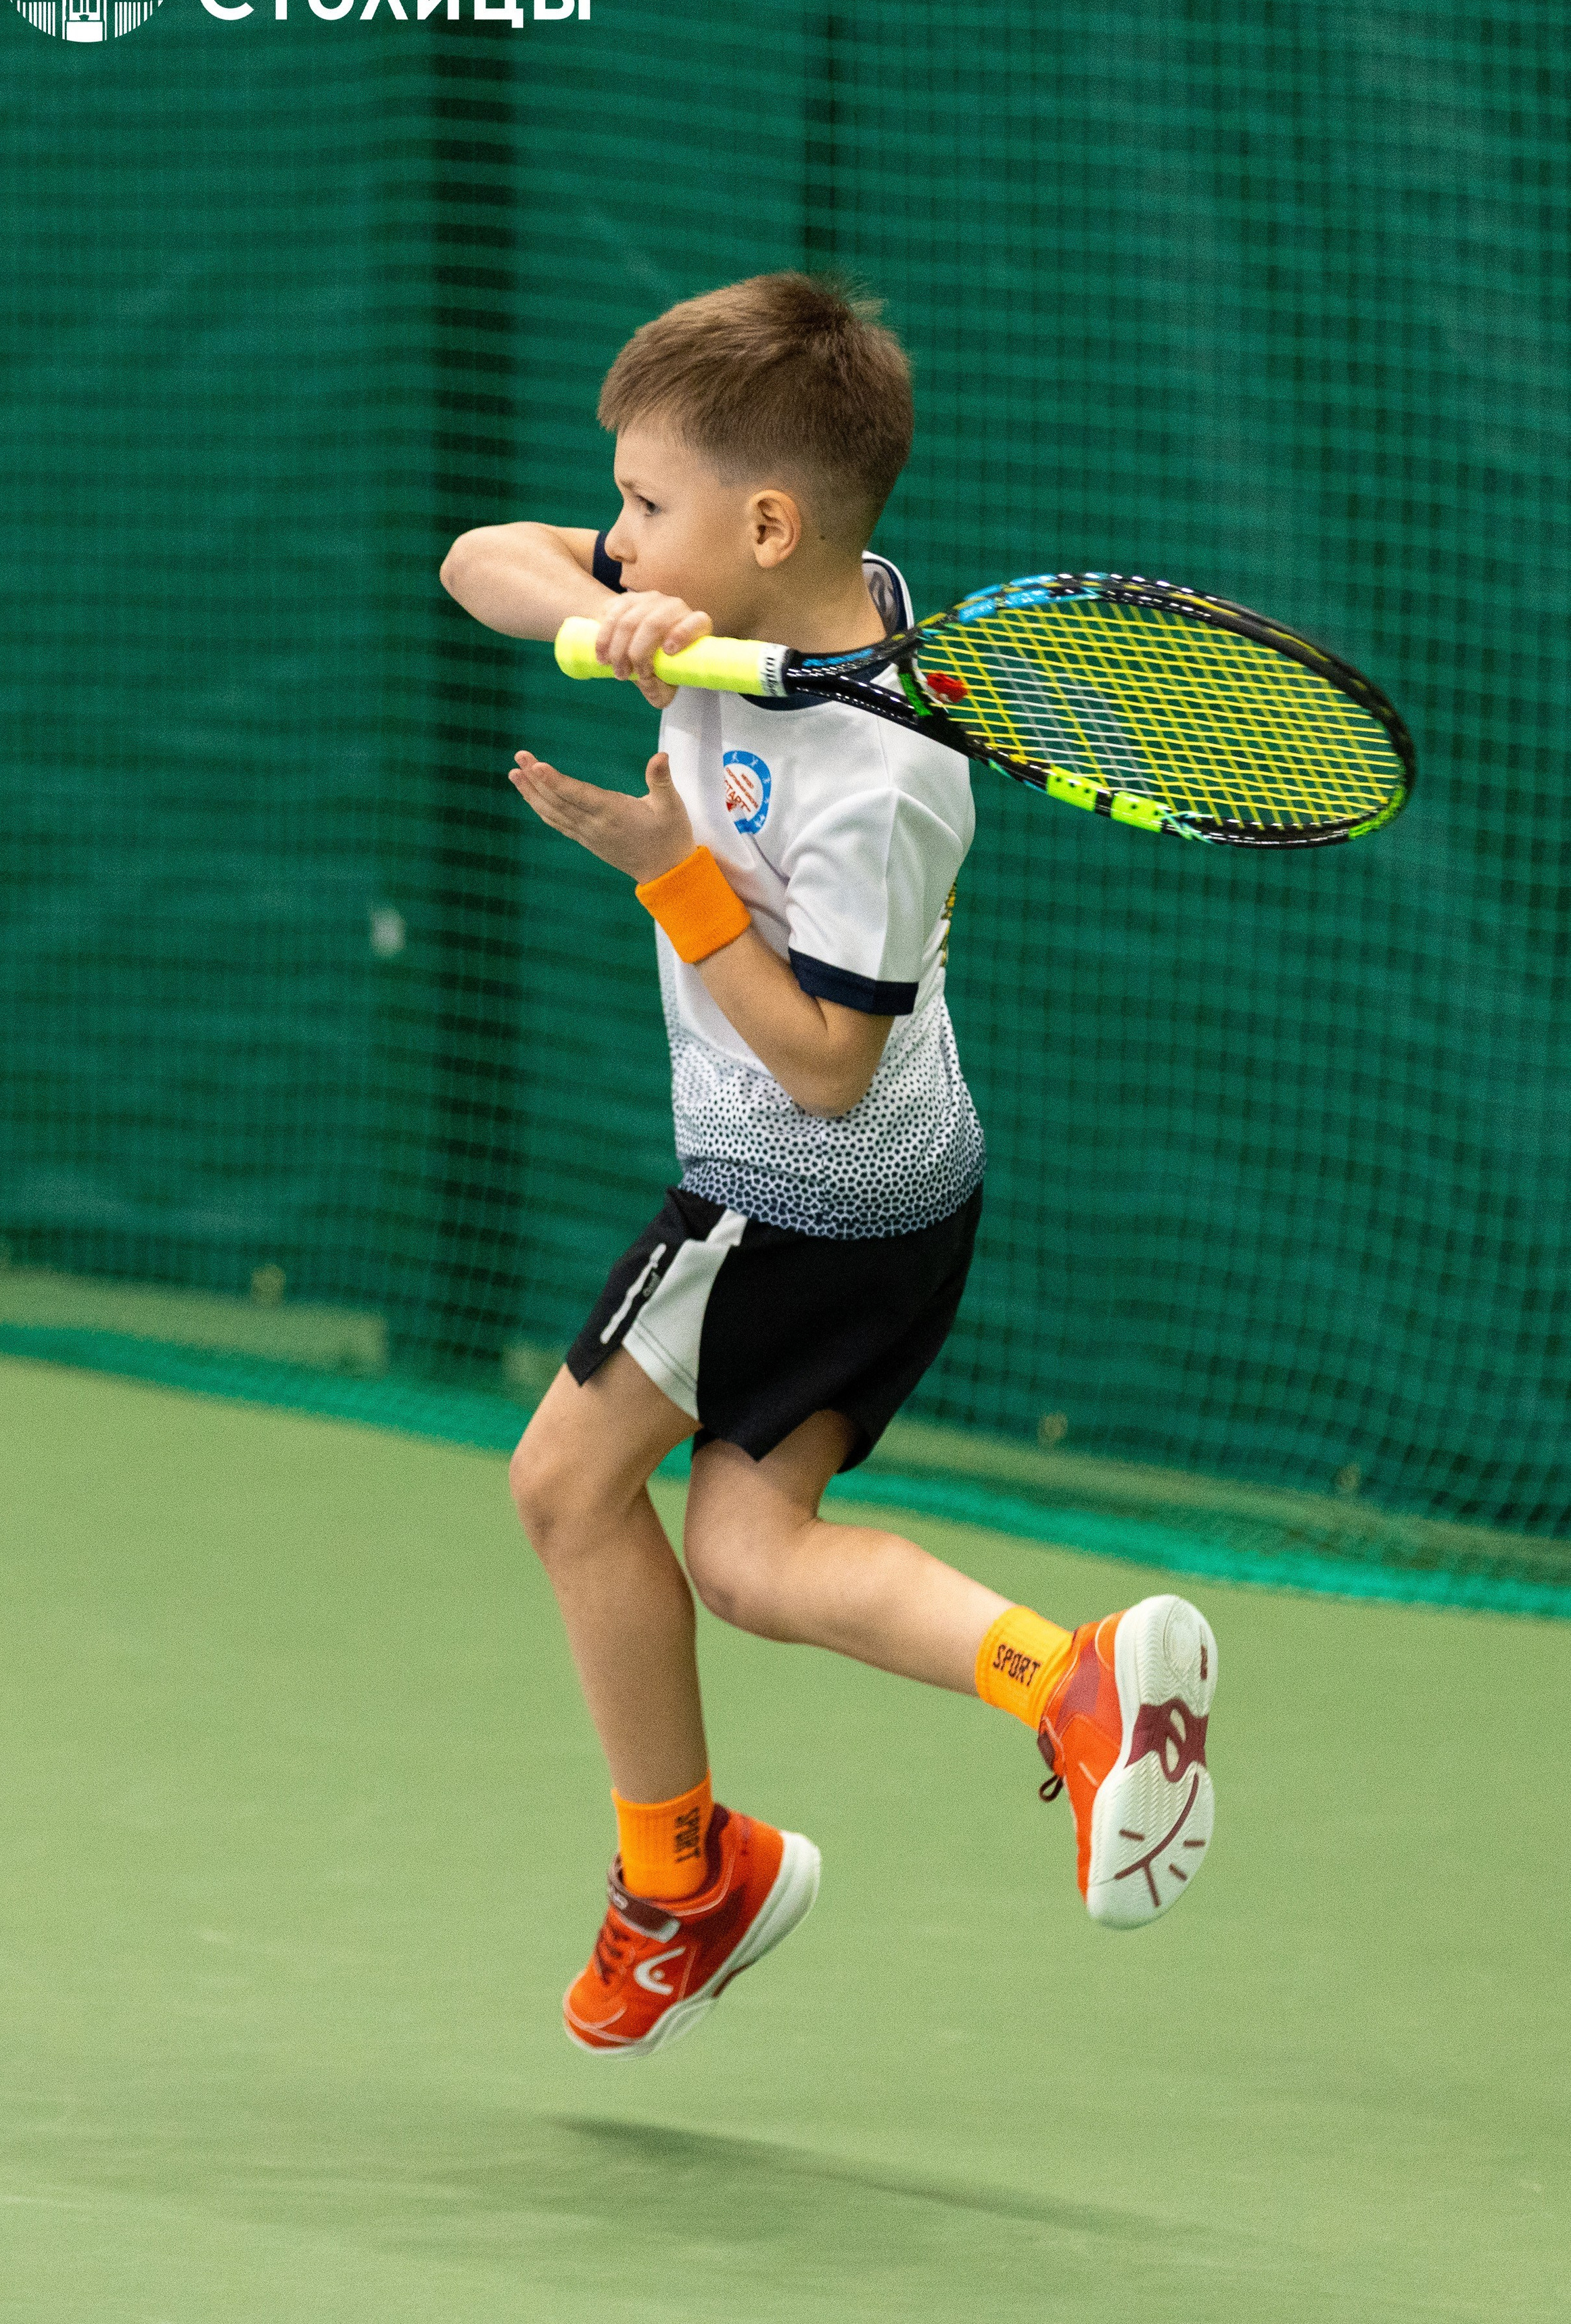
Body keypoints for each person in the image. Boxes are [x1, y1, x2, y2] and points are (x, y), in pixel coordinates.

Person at [440, 273, 1217, 2057]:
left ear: (766, 520)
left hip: (808, 1187)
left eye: (642, 506)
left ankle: (681, 1882)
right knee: (749, 1556)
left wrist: (670, 868)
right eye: (620, 503)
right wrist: (603, 616)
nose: (618, 533)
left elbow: (819, 1061)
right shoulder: (754, 591)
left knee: (565, 1485)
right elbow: (481, 557)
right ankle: (1069, 1682)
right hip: (893, 1194)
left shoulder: (881, 773)